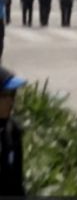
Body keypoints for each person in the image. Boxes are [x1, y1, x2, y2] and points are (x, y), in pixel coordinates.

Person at [0, 66, 27, 195]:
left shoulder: (12, 130)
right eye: (5, 95)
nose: (11, 100)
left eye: (13, 93)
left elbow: (17, 182)